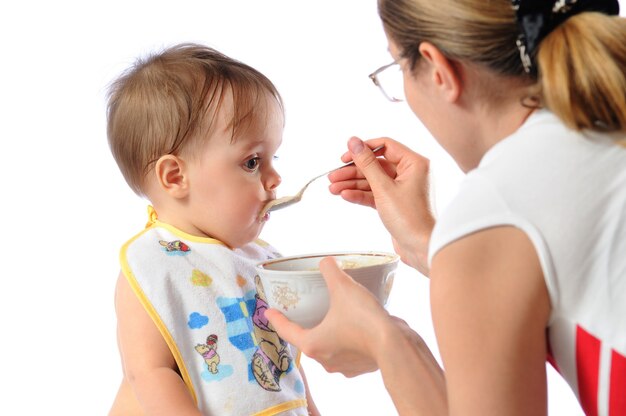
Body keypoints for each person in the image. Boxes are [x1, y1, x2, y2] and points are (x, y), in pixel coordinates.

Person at [266, 1, 626, 415]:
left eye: (397, 69)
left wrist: (389, 343)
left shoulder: (494, 210)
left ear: (438, 70)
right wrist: (427, 242)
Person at [105, 43, 320, 416]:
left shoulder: (260, 262)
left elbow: (287, 367)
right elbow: (148, 374)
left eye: (274, 157)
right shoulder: (152, 263)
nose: (275, 177)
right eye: (252, 161)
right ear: (175, 177)